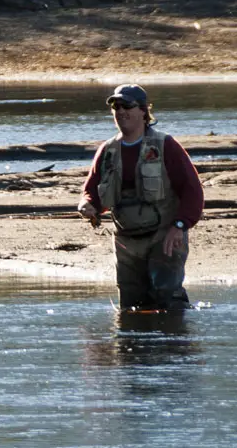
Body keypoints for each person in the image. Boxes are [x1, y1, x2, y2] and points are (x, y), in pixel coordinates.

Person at [78, 84, 204, 310]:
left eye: (127, 105)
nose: (121, 111)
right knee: (130, 307)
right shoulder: (107, 150)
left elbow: (193, 190)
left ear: (144, 111)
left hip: (164, 236)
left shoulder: (166, 145)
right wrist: (87, 206)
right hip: (125, 240)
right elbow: (92, 190)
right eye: (116, 107)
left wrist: (179, 225)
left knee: (168, 301)